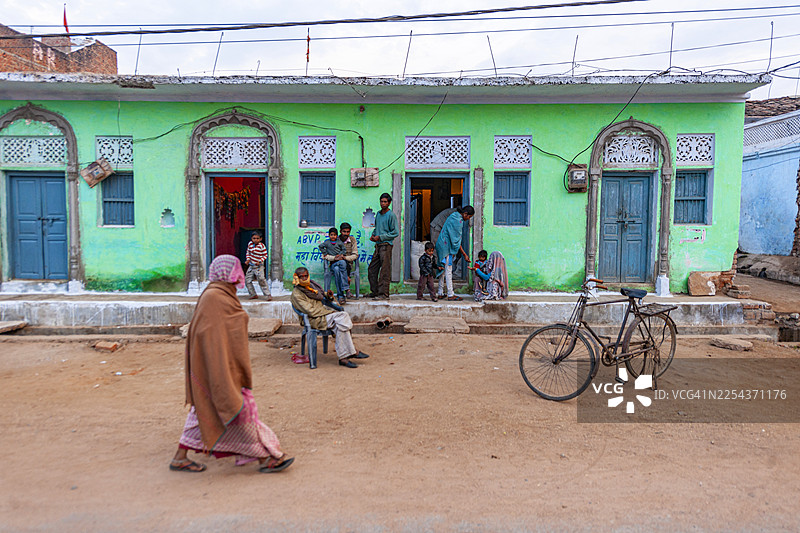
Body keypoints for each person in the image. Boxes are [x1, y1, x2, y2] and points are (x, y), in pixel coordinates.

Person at [169, 255, 293, 474]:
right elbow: (212, 333)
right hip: (215, 367)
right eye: (237, 270)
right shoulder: (216, 297)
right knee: (239, 410)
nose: (240, 275)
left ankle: (180, 457)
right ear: (228, 272)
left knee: (205, 413)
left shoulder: (219, 293)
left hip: (215, 367)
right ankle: (266, 457)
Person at [290, 267, 370, 368]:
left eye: (306, 275)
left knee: (340, 326)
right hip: (313, 319)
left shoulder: (312, 286)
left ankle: (343, 358)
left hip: (324, 316)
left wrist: (328, 295)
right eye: (302, 277)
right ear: (296, 277)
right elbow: (310, 311)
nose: (305, 278)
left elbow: (321, 296)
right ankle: (353, 351)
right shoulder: (296, 294)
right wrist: (329, 312)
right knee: (343, 316)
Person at [435, 205, 475, 301]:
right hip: (446, 247)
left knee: (443, 269)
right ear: (465, 214)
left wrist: (464, 254)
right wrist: (464, 254)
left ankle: (440, 292)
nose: (468, 219)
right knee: (448, 269)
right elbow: (455, 240)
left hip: (441, 244)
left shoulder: (454, 215)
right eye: (469, 217)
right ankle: (450, 294)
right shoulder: (458, 221)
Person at [367, 193, 398, 300]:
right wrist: (374, 235)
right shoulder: (379, 214)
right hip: (378, 246)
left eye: (385, 202)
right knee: (372, 269)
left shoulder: (391, 215)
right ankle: (375, 291)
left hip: (386, 245)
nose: (383, 203)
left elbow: (395, 233)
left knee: (384, 271)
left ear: (389, 203)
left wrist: (380, 237)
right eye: (381, 201)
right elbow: (377, 228)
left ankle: (383, 294)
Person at [319, 227, 348, 305]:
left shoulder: (339, 242)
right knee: (342, 264)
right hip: (332, 263)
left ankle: (340, 296)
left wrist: (340, 254)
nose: (333, 236)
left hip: (338, 264)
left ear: (337, 235)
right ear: (329, 235)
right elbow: (321, 246)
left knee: (337, 269)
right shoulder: (327, 243)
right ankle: (346, 289)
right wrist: (325, 253)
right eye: (331, 235)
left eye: (334, 235)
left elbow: (344, 249)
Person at [244, 231, 271, 301]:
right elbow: (248, 252)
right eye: (254, 238)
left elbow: (265, 255)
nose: (255, 240)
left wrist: (260, 261)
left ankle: (268, 294)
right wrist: (248, 259)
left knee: (261, 280)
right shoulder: (250, 244)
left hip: (259, 266)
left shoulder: (262, 246)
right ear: (251, 238)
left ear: (260, 239)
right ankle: (253, 294)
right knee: (247, 280)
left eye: (257, 238)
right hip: (251, 266)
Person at [338, 222, 359, 299]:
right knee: (339, 266)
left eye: (348, 232)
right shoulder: (336, 240)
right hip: (337, 263)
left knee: (342, 266)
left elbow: (355, 254)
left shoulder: (352, 240)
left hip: (348, 264)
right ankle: (347, 290)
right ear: (340, 231)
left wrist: (345, 258)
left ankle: (341, 295)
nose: (346, 234)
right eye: (344, 231)